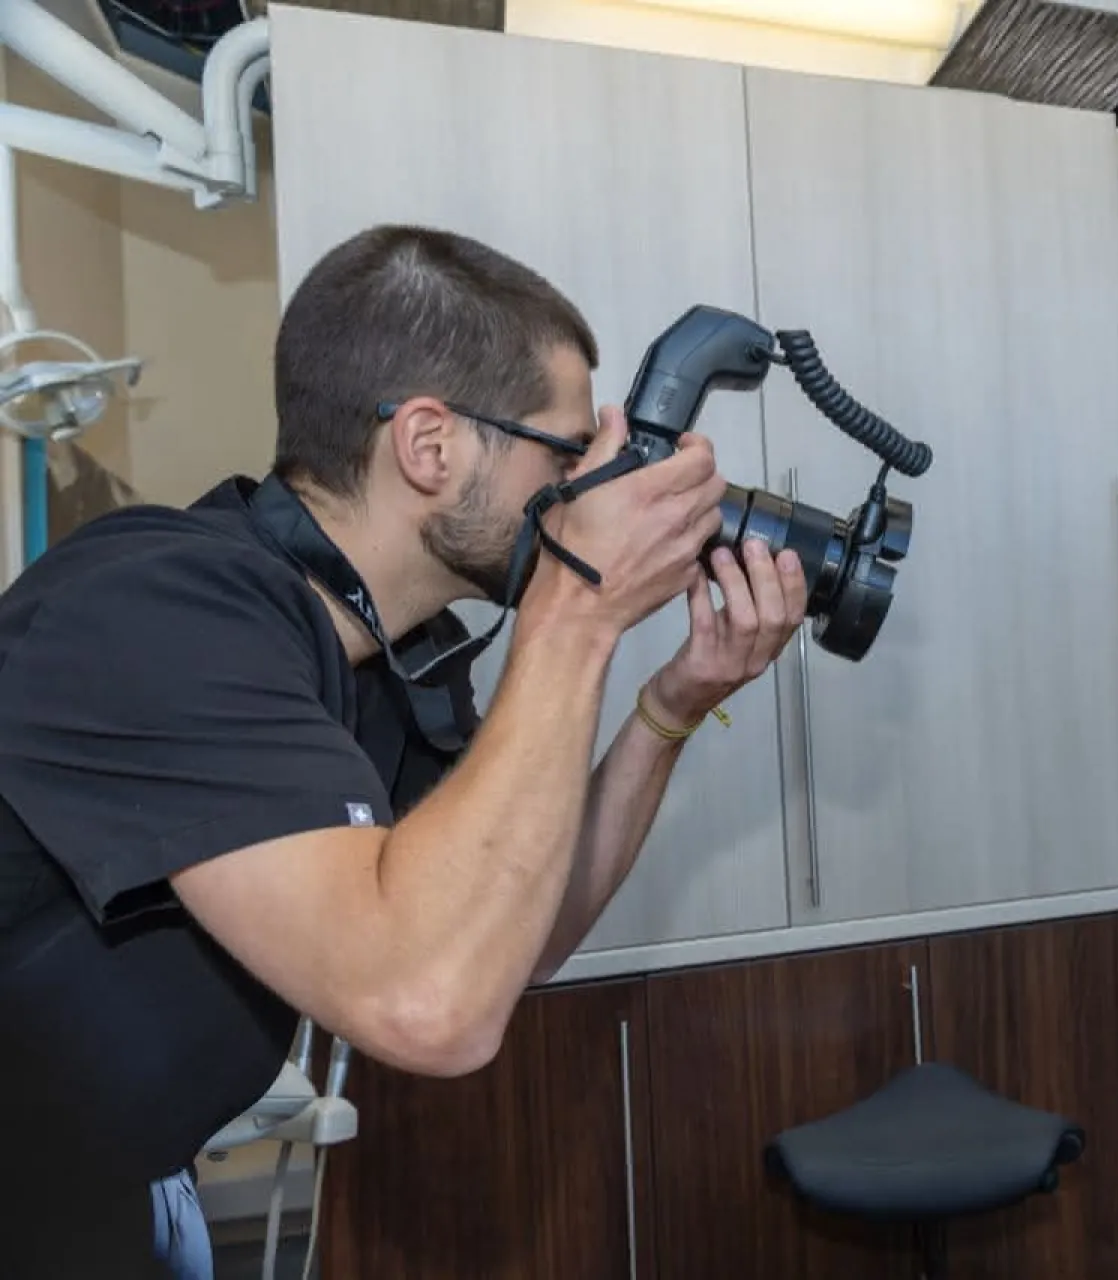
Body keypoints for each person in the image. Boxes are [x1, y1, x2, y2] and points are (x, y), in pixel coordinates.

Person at [0, 224, 808, 1276]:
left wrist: (671, 706)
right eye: (569, 454)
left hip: (110, 1182)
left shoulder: (400, 657)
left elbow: (515, 936)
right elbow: (428, 1005)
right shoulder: (161, 608)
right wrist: (582, 609)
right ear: (429, 445)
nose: (586, 491)